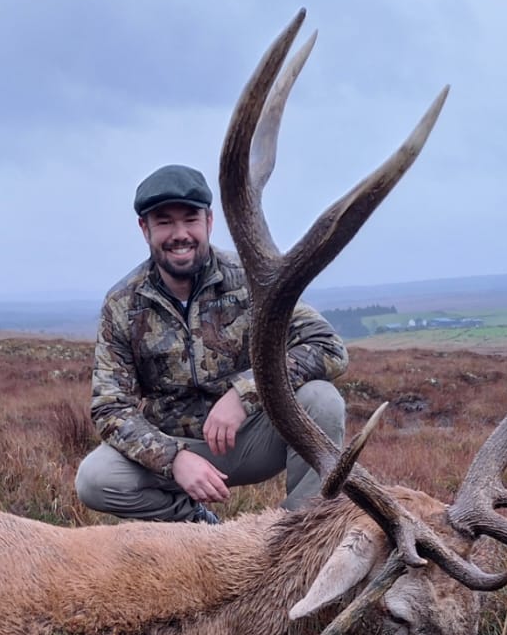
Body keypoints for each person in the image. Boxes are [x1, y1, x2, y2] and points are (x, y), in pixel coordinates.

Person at [75, 164, 348, 524]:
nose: (180, 234)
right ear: (145, 229)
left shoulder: (253, 280)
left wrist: (244, 394)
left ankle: (297, 533)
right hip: (175, 448)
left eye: (190, 220)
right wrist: (173, 458)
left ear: (209, 221)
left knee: (322, 401)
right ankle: (198, 527)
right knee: (95, 480)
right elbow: (110, 408)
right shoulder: (122, 304)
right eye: (164, 222)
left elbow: (329, 346)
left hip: (251, 438)